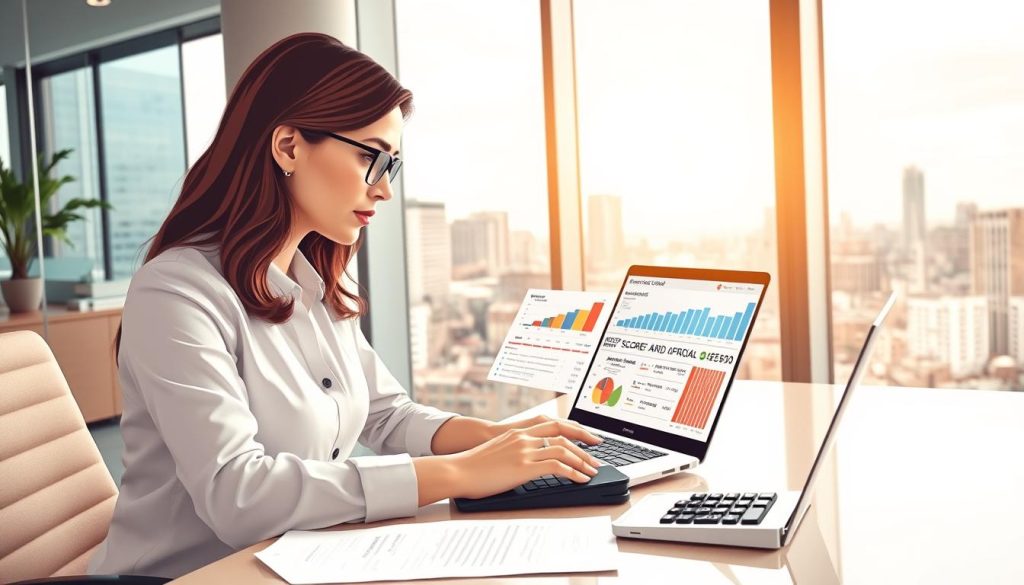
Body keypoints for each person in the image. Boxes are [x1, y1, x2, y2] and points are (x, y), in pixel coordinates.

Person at [88, 32, 603, 579]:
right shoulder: (175, 293)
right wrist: (460, 474)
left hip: (296, 558)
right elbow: (237, 494)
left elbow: (387, 414)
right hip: (192, 575)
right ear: (287, 146)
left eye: (392, 167)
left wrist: (506, 442)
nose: (383, 190)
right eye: (370, 159)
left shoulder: (316, 282)